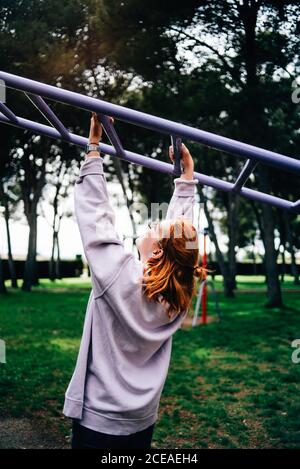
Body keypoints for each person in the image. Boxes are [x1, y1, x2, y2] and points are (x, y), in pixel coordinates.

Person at [63, 112, 208, 449]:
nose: (147, 228)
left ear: (156, 254)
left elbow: (95, 218)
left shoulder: (119, 276)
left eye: (151, 230)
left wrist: (94, 146)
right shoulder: (178, 292)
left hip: (99, 420)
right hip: (142, 418)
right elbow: (179, 241)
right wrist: (186, 176)